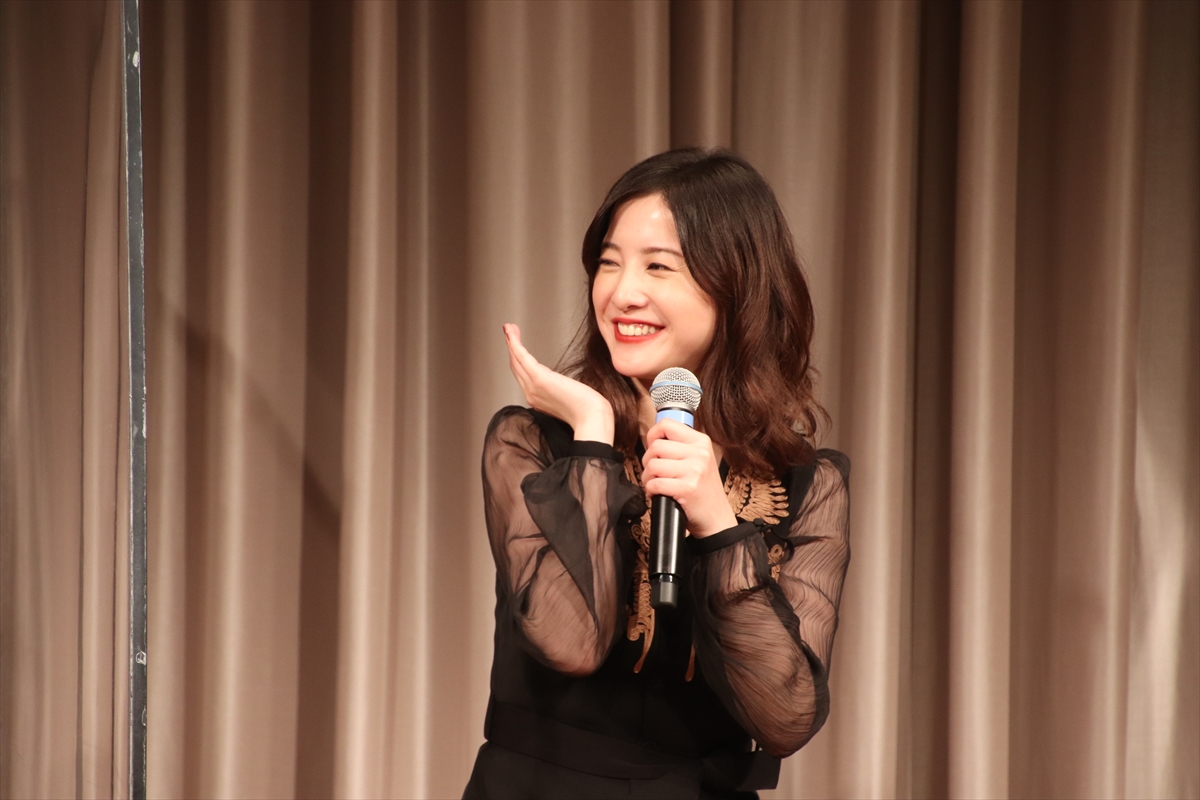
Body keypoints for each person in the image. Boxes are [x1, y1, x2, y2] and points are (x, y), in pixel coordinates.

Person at [463, 148, 850, 799]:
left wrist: (718, 523)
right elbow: (573, 643)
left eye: (658, 266)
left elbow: (785, 719)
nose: (622, 292)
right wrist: (593, 431)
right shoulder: (534, 442)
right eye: (609, 262)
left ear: (736, 286)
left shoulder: (808, 483)